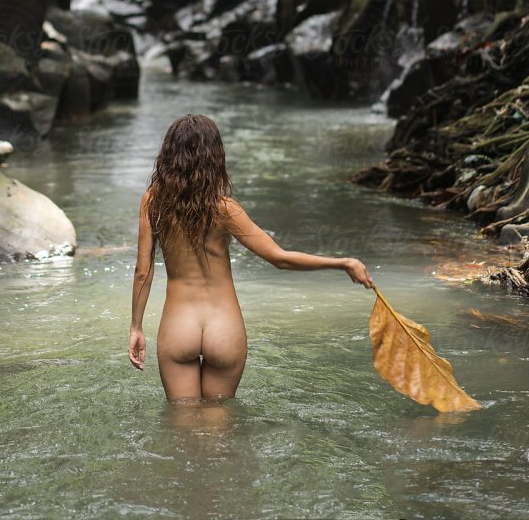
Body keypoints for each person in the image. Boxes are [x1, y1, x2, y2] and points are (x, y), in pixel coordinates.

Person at [128, 113, 374, 403]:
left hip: (178, 326)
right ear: (215, 157)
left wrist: (136, 327)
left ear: (169, 155)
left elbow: (143, 271)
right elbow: (279, 258)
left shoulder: (153, 201)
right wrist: (342, 262)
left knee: (183, 420)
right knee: (219, 421)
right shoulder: (226, 210)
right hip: (224, 328)